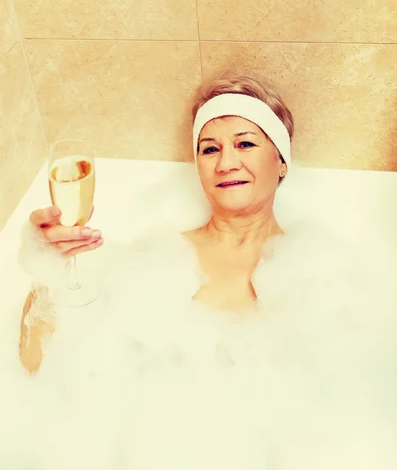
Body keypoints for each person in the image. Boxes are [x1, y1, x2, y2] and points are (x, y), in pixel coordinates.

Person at [4, 72, 397, 469]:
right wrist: (50, 264)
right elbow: (36, 360)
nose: (226, 162)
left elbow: (353, 412)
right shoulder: (152, 260)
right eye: (209, 150)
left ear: (281, 161)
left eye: (245, 143)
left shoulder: (325, 276)